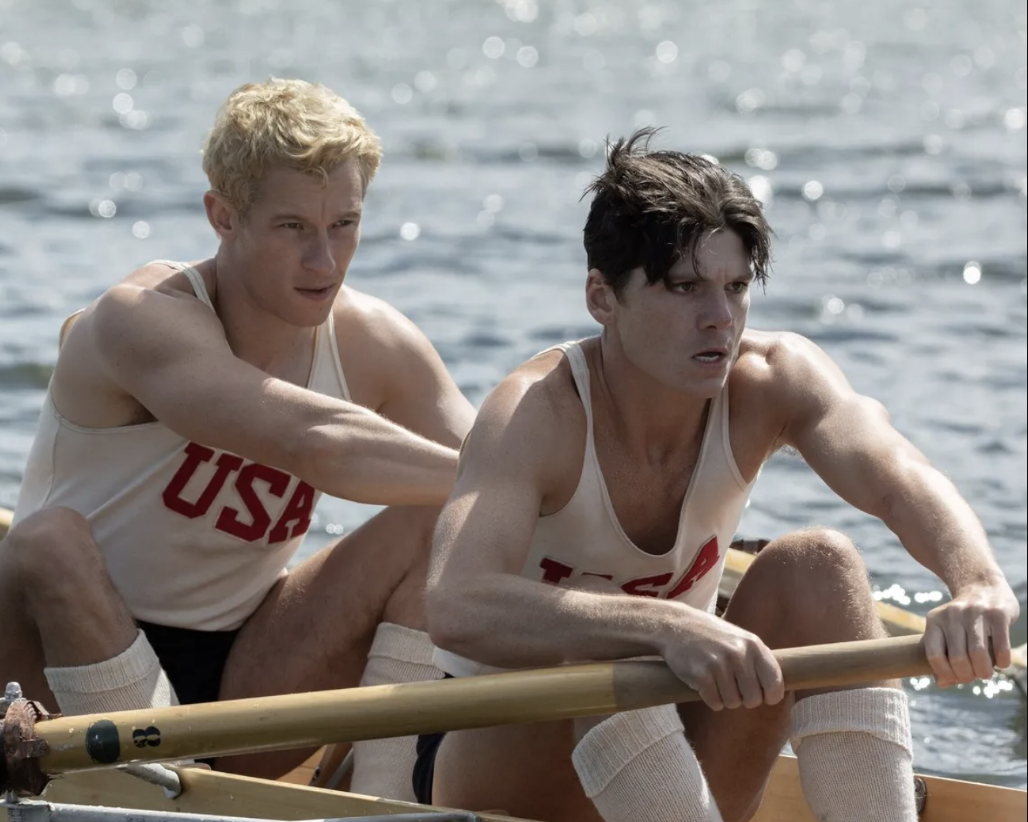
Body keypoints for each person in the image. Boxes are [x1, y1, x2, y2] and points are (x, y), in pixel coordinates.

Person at [419, 129, 1020, 822]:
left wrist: (977, 582)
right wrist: (661, 625)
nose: (719, 319)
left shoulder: (772, 380)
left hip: (672, 756)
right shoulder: (535, 414)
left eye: (736, 288)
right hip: (499, 770)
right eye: (685, 288)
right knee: (592, 627)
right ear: (601, 297)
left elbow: (895, 473)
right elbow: (456, 603)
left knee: (820, 564)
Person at [0, 78, 473, 799]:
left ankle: (385, 802)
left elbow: (499, 473)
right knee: (50, 542)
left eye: (345, 225)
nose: (325, 262)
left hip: (240, 675)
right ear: (222, 215)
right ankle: (159, 795)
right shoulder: (138, 319)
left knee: (439, 518)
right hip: (49, 660)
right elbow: (314, 441)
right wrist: (512, 482)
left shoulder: (378, 343)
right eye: (293, 228)